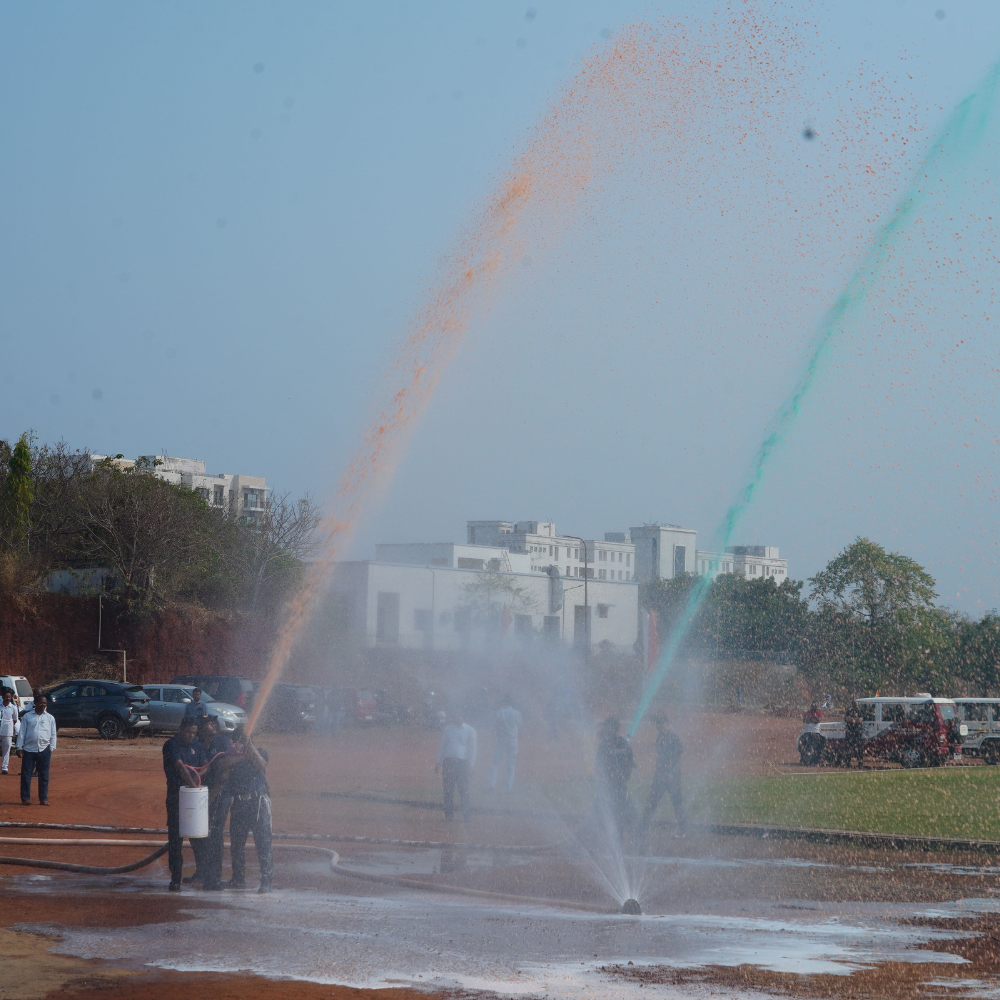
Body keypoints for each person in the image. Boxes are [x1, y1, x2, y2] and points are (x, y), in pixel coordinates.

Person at [222, 725, 273, 893]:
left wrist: (249, 747)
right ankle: (238, 879)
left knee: (263, 843)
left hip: (258, 803)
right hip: (239, 804)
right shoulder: (232, 758)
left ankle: (266, 881)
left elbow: (261, 765)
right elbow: (222, 765)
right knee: (237, 844)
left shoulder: (260, 752)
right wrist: (241, 755)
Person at [188, 716, 235, 891]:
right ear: (200, 728)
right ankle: (201, 871)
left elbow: (227, 768)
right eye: (209, 723)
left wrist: (215, 792)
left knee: (214, 833)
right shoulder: (195, 744)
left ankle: (215, 877)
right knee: (195, 834)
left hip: (220, 793)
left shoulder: (222, 741)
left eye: (214, 723)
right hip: (200, 794)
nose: (213, 725)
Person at [162, 718, 209, 891]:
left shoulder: (197, 745)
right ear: (181, 729)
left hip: (193, 797)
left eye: (194, 733)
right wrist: (194, 786)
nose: (191, 735)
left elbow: (206, 766)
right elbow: (181, 768)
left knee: (197, 837)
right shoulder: (171, 745)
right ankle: (176, 878)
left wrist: (197, 777)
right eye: (189, 732)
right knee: (176, 840)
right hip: (177, 797)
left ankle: (201, 873)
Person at [639, 715, 686, 839]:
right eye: (658, 724)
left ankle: (683, 830)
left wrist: (671, 772)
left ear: (667, 724)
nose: (659, 726)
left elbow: (678, 756)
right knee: (652, 801)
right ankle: (643, 827)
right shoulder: (660, 737)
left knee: (677, 803)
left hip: (671, 776)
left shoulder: (673, 737)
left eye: (661, 723)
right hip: (660, 775)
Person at [595, 717, 635, 839]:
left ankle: (616, 835)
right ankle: (620, 834)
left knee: (612, 809)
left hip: (612, 784)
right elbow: (630, 762)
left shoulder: (605, 746)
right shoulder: (622, 743)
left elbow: (599, 768)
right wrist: (626, 775)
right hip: (617, 784)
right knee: (619, 809)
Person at [436, 709, 477, 821]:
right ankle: (448, 815)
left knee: (463, 790)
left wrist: (471, 765)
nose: (456, 718)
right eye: (455, 716)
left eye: (459, 716)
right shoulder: (448, 729)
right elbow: (443, 745)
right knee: (448, 790)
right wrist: (438, 761)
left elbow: (473, 749)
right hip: (449, 762)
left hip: (462, 764)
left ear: (463, 717)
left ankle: (467, 816)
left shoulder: (470, 730)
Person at [16, 694, 57, 806]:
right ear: (35, 703)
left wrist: (51, 748)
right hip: (29, 750)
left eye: (44, 703)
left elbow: (53, 734)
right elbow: (22, 733)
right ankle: (25, 798)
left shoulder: (50, 718)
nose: (42, 705)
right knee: (26, 775)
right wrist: (19, 747)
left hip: (44, 749)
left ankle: (43, 798)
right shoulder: (27, 717)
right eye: (40, 703)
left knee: (44, 775)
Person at [488, 696, 523, 791]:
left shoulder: (499, 713)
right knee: (511, 764)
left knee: (495, 763)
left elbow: (494, 725)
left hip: (501, 741)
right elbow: (520, 726)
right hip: (512, 742)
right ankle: (509, 787)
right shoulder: (517, 713)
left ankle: (492, 784)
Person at [0, 688, 20, 775]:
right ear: (2, 697)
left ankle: (4, 767)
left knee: (6, 749)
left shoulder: (13, 708)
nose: (7, 698)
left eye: (9, 697)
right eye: (6, 697)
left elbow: (15, 720)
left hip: (7, 732)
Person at [843, 700, 864, 769]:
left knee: (859, 749)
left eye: (857, 704)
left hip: (857, 733)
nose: (856, 706)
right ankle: (847, 763)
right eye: (855, 704)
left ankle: (860, 764)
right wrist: (852, 720)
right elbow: (846, 719)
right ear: (852, 705)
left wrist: (854, 720)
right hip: (849, 732)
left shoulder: (859, 712)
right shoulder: (848, 712)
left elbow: (860, 720)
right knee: (848, 748)